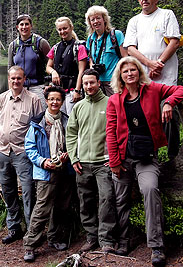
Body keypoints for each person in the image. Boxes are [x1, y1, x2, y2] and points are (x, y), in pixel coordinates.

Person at [106, 56, 183, 266]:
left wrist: (169, 102)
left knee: (150, 190)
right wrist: (115, 162)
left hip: (146, 158)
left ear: (139, 72)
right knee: (120, 198)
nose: (130, 74)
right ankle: (124, 240)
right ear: (120, 76)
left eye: (133, 69)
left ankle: (156, 246)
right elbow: (111, 132)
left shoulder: (153, 90)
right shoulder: (115, 100)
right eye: (125, 71)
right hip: (124, 158)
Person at [123, 0, 182, 159]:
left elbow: (175, 41)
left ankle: (172, 157)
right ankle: (148, 155)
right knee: (145, 117)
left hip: (166, 76)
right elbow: (131, 48)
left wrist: (159, 63)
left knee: (168, 115)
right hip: (144, 78)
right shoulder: (134, 21)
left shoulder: (166, 15)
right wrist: (149, 64)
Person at [0, 65, 43, 245]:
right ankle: (14, 228)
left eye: (19, 78)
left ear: (24, 79)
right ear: (8, 79)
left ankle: (32, 231)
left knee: (29, 192)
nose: (16, 81)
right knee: (8, 191)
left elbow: (39, 129)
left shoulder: (34, 100)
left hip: (23, 153)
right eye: (12, 78)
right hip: (3, 152)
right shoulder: (2, 98)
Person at [66, 68, 116, 254]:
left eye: (91, 82)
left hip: (103, 163)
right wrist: (73, 157)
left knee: (107, 198)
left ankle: (106, 240)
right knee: (85, 201)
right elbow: (71, 134)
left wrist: (113, 158)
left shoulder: (110, 103)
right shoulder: (78, 107)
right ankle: (91, 237)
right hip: (82, 164)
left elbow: (118, 132)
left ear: (99, 82)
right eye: (85, 83)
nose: (88, 86)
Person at [22, 85, 74, 262]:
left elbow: (73, 142)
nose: (54, 102)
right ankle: (30, 245)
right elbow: (30, 148)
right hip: (45, 171)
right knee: (42, 208)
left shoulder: (67, 120)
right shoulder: (37, 123)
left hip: (64, 170)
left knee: (62, 206)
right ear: (46, 101)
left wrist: (69, 154)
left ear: (62, 101)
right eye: (51, 99)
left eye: (58, 99)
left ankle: (54, 238)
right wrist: (43, 161)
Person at [45, 17, 89, 115]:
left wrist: (77, 90)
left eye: (65, 28)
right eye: (60, 29)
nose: (62, 31)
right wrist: (53, 72)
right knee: (59, 120)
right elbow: (48, 66)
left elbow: (81, 71)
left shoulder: (79, 47)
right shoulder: (56, 47)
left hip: (72, 91)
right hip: (58, 92)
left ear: (71, 27)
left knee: (71, 121)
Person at [8, 14, 51, 109]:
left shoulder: (41, 43)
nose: (24, 27)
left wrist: (49, 85)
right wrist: (10, 90)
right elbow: (10, 69)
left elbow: (51, 64)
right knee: (20, 118)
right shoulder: (13, 46)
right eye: (21, 24)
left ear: (31, 26)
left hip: (38, 87)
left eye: (27, 24)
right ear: (17, 27)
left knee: (39, 118)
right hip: (19, 88)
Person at [85, 6, 127, 96]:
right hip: (97, 82)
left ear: (104, 19)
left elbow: (125, 58)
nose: (96, 21)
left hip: (114, 81)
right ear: (90, 23)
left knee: (116, 107)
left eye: (98, 18)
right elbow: (91, 58)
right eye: (92, 20)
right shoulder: (91, 39)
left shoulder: (116, 35)